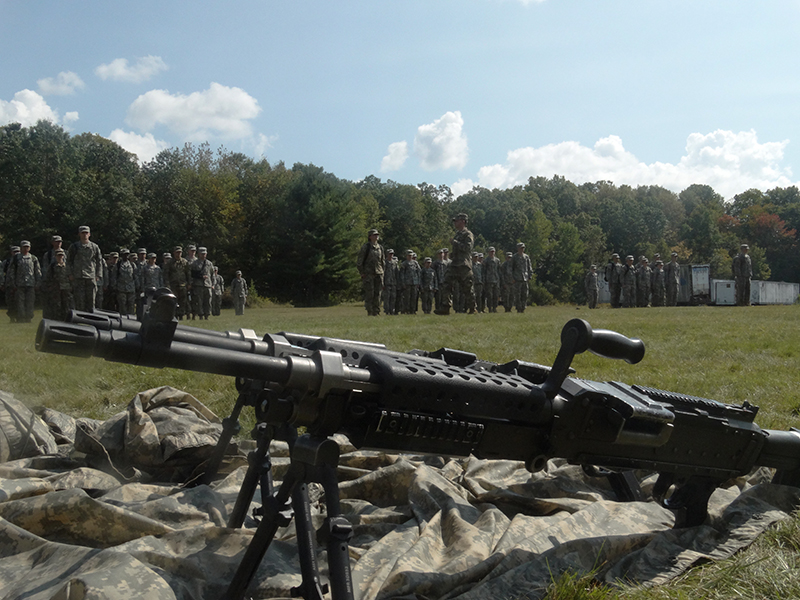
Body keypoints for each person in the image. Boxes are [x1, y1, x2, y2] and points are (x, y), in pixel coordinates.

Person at [436, 213, 475, 315]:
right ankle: (445, 306)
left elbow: (467, 248)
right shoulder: (457, 234)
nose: (455, 223)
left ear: (463, 221)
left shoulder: (468, 234)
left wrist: (455, 242)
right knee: (446, 283)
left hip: (463, 264)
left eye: (457, 221)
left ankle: (472, 308)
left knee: (467, 287)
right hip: (455, 264)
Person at [66, 225, 103, 311]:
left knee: (91, 301)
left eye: (86, 233)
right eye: (82, 233)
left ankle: (90, 320)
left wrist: (98, 274)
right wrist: (70, 274)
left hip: (91, 277)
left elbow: (99, 261)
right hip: (78, 277)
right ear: (79, 234)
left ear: (89, 234)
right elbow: (68, 261)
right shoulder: (74, 247)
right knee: (79, 301)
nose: (84, 235)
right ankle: (80, 320)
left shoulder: (94, 247)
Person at [6, 240, 41, 323]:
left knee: (30, 302)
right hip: (19, 284)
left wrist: (38, 283)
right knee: (20, 302)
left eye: (27, 247)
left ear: (29, 248)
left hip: (31, 284)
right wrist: (13, 284)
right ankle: (21, 318)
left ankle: (28, 318)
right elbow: (11, 272)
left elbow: (37, 271)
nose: (26, 248)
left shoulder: (33, 258)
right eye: (24, 247)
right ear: (21, 248)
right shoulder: (16, 258)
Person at [356, 228, 385, 316]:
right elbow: (359, 262)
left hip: (378, 273)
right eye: (374, 235)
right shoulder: (366, 247)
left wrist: (383, 272)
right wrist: (362, 272)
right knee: (370, 294)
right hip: (368, 274)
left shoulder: (380, 247)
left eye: (377, 235)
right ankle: (370, 311)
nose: (376, 236)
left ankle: (376, 311)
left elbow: (382, 261)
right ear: (370, 236)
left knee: (378, 294)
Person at [40, 235, 63, 319]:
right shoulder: (48, 255)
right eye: (56, 241)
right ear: (52, 243)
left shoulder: (66, 253)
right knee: (52, 301)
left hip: (64, 283)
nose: (58, 243)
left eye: (60, 242)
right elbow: (45, 269)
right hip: (52, 282)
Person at [167, 246, 191, 319]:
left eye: (180, 252)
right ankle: (175, 314)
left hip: (182, 284)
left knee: (183, 301)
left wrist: (189, 283)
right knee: (174, 300)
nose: (178, 254)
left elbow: (188, 273)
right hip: (173, 284)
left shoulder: (185, 262)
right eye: (177, 252)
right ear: (174, 253)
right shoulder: (170, 262)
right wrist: (167, 284)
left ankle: (181, 315)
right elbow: (166, 274)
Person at [190, 247, 214, 320]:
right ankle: (200, 315)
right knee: (199, 301)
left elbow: (212, 274)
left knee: (208, 301)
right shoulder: (195, 263)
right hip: (198, 285)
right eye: (202, 254)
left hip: (208, 285)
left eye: (205, 254)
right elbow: (192, 274)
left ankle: (207, 315)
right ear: (199, 254)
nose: (203, 255)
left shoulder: (209, 263)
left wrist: (213, 284)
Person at [50, 249, 73, 320]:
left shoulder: (67, 266)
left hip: (66, 288)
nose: (60, 257)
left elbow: (71, 277)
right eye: (58, 255)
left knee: (66, 304)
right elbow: (49, 277)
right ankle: (57, 319)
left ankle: (66, 319)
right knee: (57, 305)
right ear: (55, 256)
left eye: (61, 255)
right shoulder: (52, 266)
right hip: (56, 288)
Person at [511, 242, 533, 313]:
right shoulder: (514, 257)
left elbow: (529, 267)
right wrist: (512, 278)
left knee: (525, 294)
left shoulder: (526, 257)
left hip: (525, 278)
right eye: (521, 248)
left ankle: (523, 308)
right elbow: (510, 268)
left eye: (523, 248)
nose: (522, 249)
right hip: (517, 278)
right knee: (517, 295)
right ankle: (518, 308)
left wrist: (530, 276)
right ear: (518, 248)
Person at [2, 245, 21, 322]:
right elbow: (2, 273)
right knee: (10, 302)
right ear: (11, 252)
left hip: (19, 285)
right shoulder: (6, 262)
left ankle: (20, 317)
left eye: (18, 251)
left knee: (19, 302)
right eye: (14, 252)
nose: (16, 253)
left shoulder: (21, 261)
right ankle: (12, 317)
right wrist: (2, 284)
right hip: (9, 285)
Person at [115, 249, 137, 315]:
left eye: (127, 254)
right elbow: (114, 276)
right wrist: (114, 286)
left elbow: (135, 276)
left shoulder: (132, 265)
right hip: (121, 288)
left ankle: (131, 318)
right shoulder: (118, 265)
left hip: (131, 288)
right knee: (122, 305)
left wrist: (138, 286)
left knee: (131, 305)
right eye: (124, 254)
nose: (126, 256)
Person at [483, 247, 501, 313]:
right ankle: (490, 308)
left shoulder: (497, 260)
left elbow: (499, 270)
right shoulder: (486, 260)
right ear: (488, 252)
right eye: (491, 251)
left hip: (496, 280)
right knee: (489, 295)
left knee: (496, 295)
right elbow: (484, 271)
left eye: (493, 251)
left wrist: (499, 279)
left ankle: (494, 307)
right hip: (489, 280)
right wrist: (484, 280)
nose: (492, 253)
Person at [382, 249, 399, 315]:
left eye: (392, 254)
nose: (391, 255)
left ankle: (392, 310)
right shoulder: (384, 263)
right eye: (390, 254)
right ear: (387, 254)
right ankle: (386, 310)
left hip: (393, 283)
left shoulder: (395, 263)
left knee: (393, 297)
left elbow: (397, 273)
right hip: (386, 283)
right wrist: (382, 283)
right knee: (387, 298)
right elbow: (382, 273)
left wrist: (398, 283)